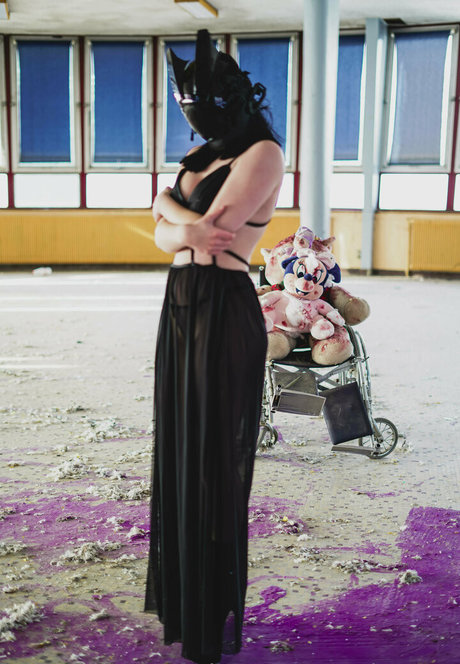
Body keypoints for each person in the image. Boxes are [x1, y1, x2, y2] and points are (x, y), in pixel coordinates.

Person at [144, 29, 284, 664]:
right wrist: (179, 219)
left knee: (211, 461)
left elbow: (212, 234)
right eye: (185, 103)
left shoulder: (264, 153)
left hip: (223, 306)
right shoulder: (200, 154)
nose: (192, 113)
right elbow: (169, 237)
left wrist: (168, 210)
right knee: (179, 449)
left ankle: (208, 617)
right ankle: (185, 605)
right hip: (179, 306)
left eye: (202, 100)